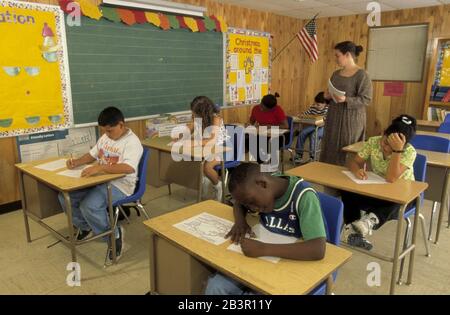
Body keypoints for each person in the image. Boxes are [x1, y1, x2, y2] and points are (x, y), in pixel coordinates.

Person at [204, 163, 326, 294]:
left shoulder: (304, 197)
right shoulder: (259, 189)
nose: (252, 208)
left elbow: (317, 249)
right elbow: (239, 203)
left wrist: (263, 249)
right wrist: (240, 221)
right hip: (258, 260)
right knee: (215, 287)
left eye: (251, 202)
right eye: (248, 204)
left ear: (262, 184)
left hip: (289, 264)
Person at [58, 107, 143, 262]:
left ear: (121, 125)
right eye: (104, 130)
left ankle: (114, 234)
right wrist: (76, 162)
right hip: (99, 180)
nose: (106, 134)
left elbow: (128, 168)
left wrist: (101, 167)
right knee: (65, 197)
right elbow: (92, 155)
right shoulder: (105, 137)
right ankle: (85, 226)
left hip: (120, 184)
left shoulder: (132, 142)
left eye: (110, 131)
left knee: (89, 205)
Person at [341, 115, 417, 250]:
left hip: (403, 197)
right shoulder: (373, 142)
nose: (385, 148)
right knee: (348, 190)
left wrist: (397, 151)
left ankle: (367, 222)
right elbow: (354, 162)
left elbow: (391, 178)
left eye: (390, 147)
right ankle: (353, 230)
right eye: (384, 141)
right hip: (378, 191)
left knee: (395, 201)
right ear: (383, 133)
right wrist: (356, 171)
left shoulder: (409, 152)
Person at [320, 41, 373, 166]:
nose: (336, 59)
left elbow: (366, 99)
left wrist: (346, 99)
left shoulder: (362, 75)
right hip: (334, 116)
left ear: (347, 55)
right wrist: (327, 96)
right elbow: (330, 92)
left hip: (351, 120)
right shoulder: (335, 74)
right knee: (331, 145)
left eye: (338, 55)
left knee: (347, 147)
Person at [186, 96, 229, 201]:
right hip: (205, 149)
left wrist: (193, 143)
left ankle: (218, 185)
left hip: (220, 149)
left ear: (203, 111)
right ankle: (204, 181)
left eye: (195, 112)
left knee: (207, 167)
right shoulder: (198, 118)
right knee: (192, 161)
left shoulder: (216, 119)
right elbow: (187, 132)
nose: (193, 114)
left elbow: (212, 141)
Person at [248, 93, 288, 168]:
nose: (261, 108)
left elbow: (285, 126)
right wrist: (252, 126)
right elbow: (251, 122)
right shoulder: (256, 109)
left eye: (264, 108)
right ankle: (262, 163)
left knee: (268, 144)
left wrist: (270, 126)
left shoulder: (277, 110)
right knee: (249, 141)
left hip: (278, 136)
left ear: (271, 108)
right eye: (261, 105)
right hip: (262, 134)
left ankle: (269, 166)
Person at [294, 91, 329, 164]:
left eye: (318, 105)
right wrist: (301, 115)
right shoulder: (313, 107)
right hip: (313, 125)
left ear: (325, 104)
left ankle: (313, 157)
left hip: (323, 127)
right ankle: (298, 155)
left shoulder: (328, 109)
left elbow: (325, 121)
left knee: (314, 135)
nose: (316, 106)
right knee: (302, 133)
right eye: (315, 103)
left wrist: (322, 121)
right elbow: (306, 113)